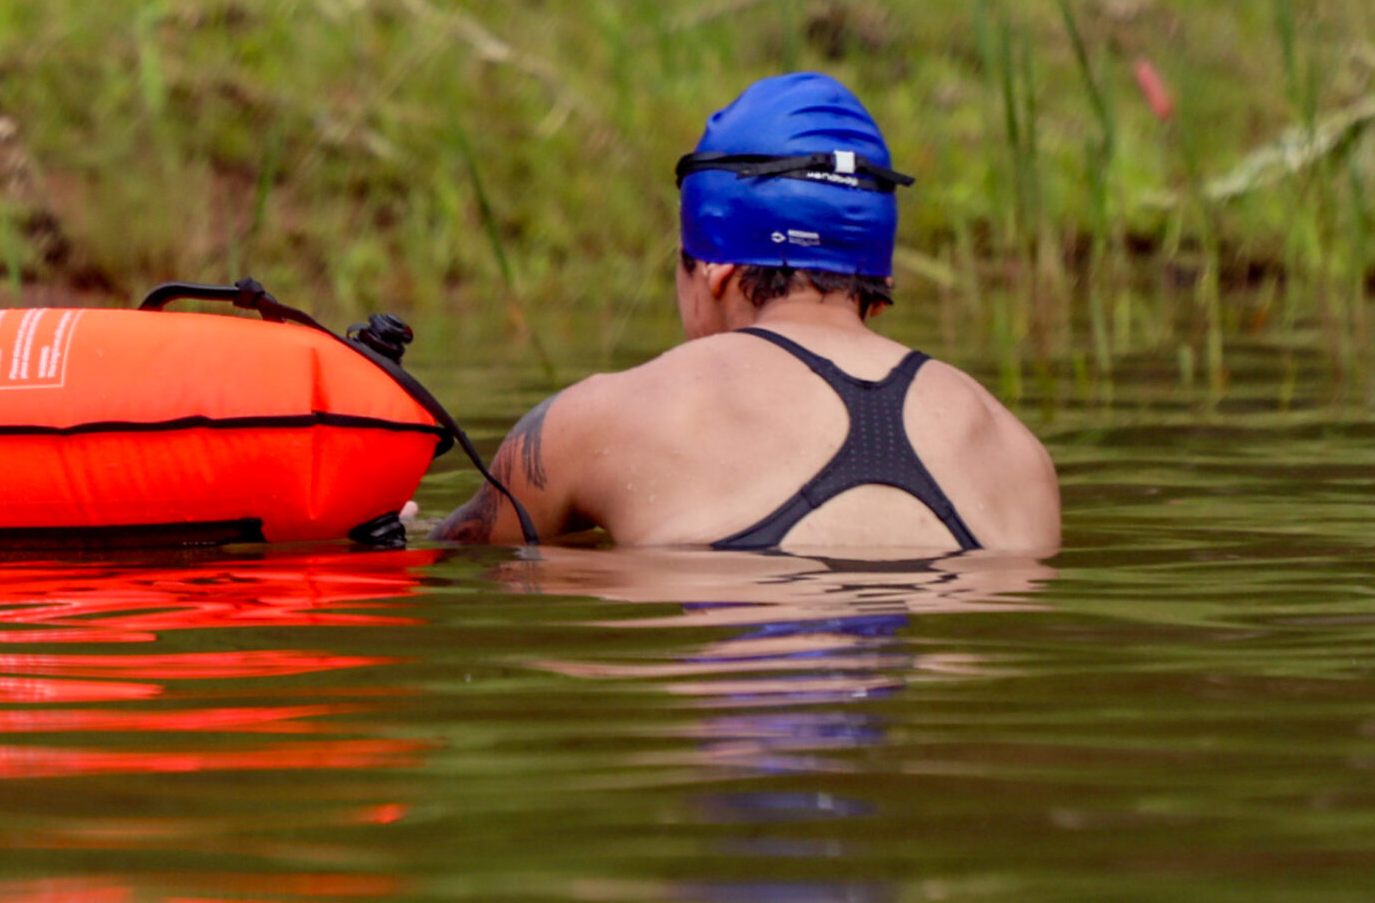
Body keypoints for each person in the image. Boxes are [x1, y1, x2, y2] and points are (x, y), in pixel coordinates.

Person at [434, 72, 1060, 553]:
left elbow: (451, 559)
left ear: (713, 270)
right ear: (880, 275)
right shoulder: (1018, 455)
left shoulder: (595, 420)